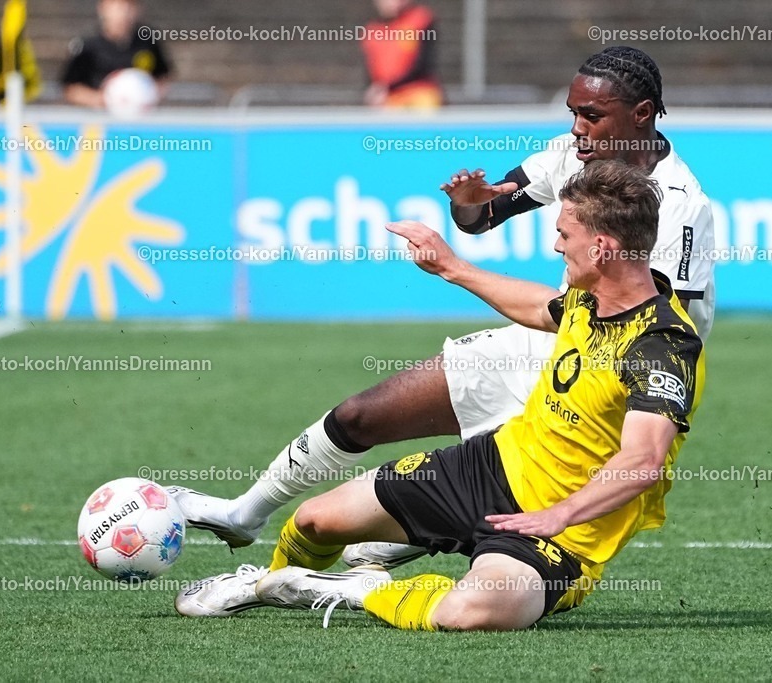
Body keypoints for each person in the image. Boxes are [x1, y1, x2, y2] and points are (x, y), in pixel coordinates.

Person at [168, 46, 715, 571]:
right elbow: (483, 218)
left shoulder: (680, 206)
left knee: (468, 503)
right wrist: (469, 203)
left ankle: (414, 541)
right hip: (551, 335)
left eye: (591, 116)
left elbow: (660, 328)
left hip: (609, 382)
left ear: (641, 114)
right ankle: (246, 514)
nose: (577, 128)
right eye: (573, 113)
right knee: (363, 414)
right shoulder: (572, 155)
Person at [175, 160, 706, 631]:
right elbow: (542, 307)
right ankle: (265, 583)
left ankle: (369, 589)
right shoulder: (590, 299)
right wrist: (451, 267)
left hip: (557, 536)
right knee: (316, 519)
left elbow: (642, 461)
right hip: (489, 467)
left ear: (604, 247)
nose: (555, 245)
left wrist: (559, 515)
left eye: (565, 234)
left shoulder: (660, 345)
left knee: (476, 610)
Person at [61, 0, 171, 109]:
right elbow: (70, 88)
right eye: (117, 6)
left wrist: (148, 95)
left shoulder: (147, 40)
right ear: (103, 8)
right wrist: (101, 99)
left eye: (129, 7)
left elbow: (163, 76)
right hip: (99, 120)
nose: (123, 13)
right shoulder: (87, 46)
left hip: (139, 119)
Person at [361, 0, 442, 108]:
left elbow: (423, 64)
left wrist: (390, 87)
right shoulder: (372, 30)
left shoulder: (420, 20)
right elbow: (371, 69)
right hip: (388, 98)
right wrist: (375, 90)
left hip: (419, 92)